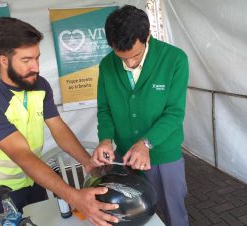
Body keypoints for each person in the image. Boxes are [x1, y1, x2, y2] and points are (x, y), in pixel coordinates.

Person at [0, 17, 119, 226]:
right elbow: (22, 155)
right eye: (26, 61)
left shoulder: (39, 84)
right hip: (2, 189)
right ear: (4, 60)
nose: (36, 67)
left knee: (43, 219)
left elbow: (58, 127)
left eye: (37, 58)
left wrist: (87, 162)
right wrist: (74, 197)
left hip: (34, 177)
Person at [90, 5, 189, 226]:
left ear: (147, 36)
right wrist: (105, 139)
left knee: (174, 212)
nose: (129, 63)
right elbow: (105, 109)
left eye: (135, 56)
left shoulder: (174, 59)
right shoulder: (107, 65)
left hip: (165, 154)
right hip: (125, 156)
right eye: (121, 57)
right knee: (128, 213)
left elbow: (174, 113)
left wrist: (146, 143)